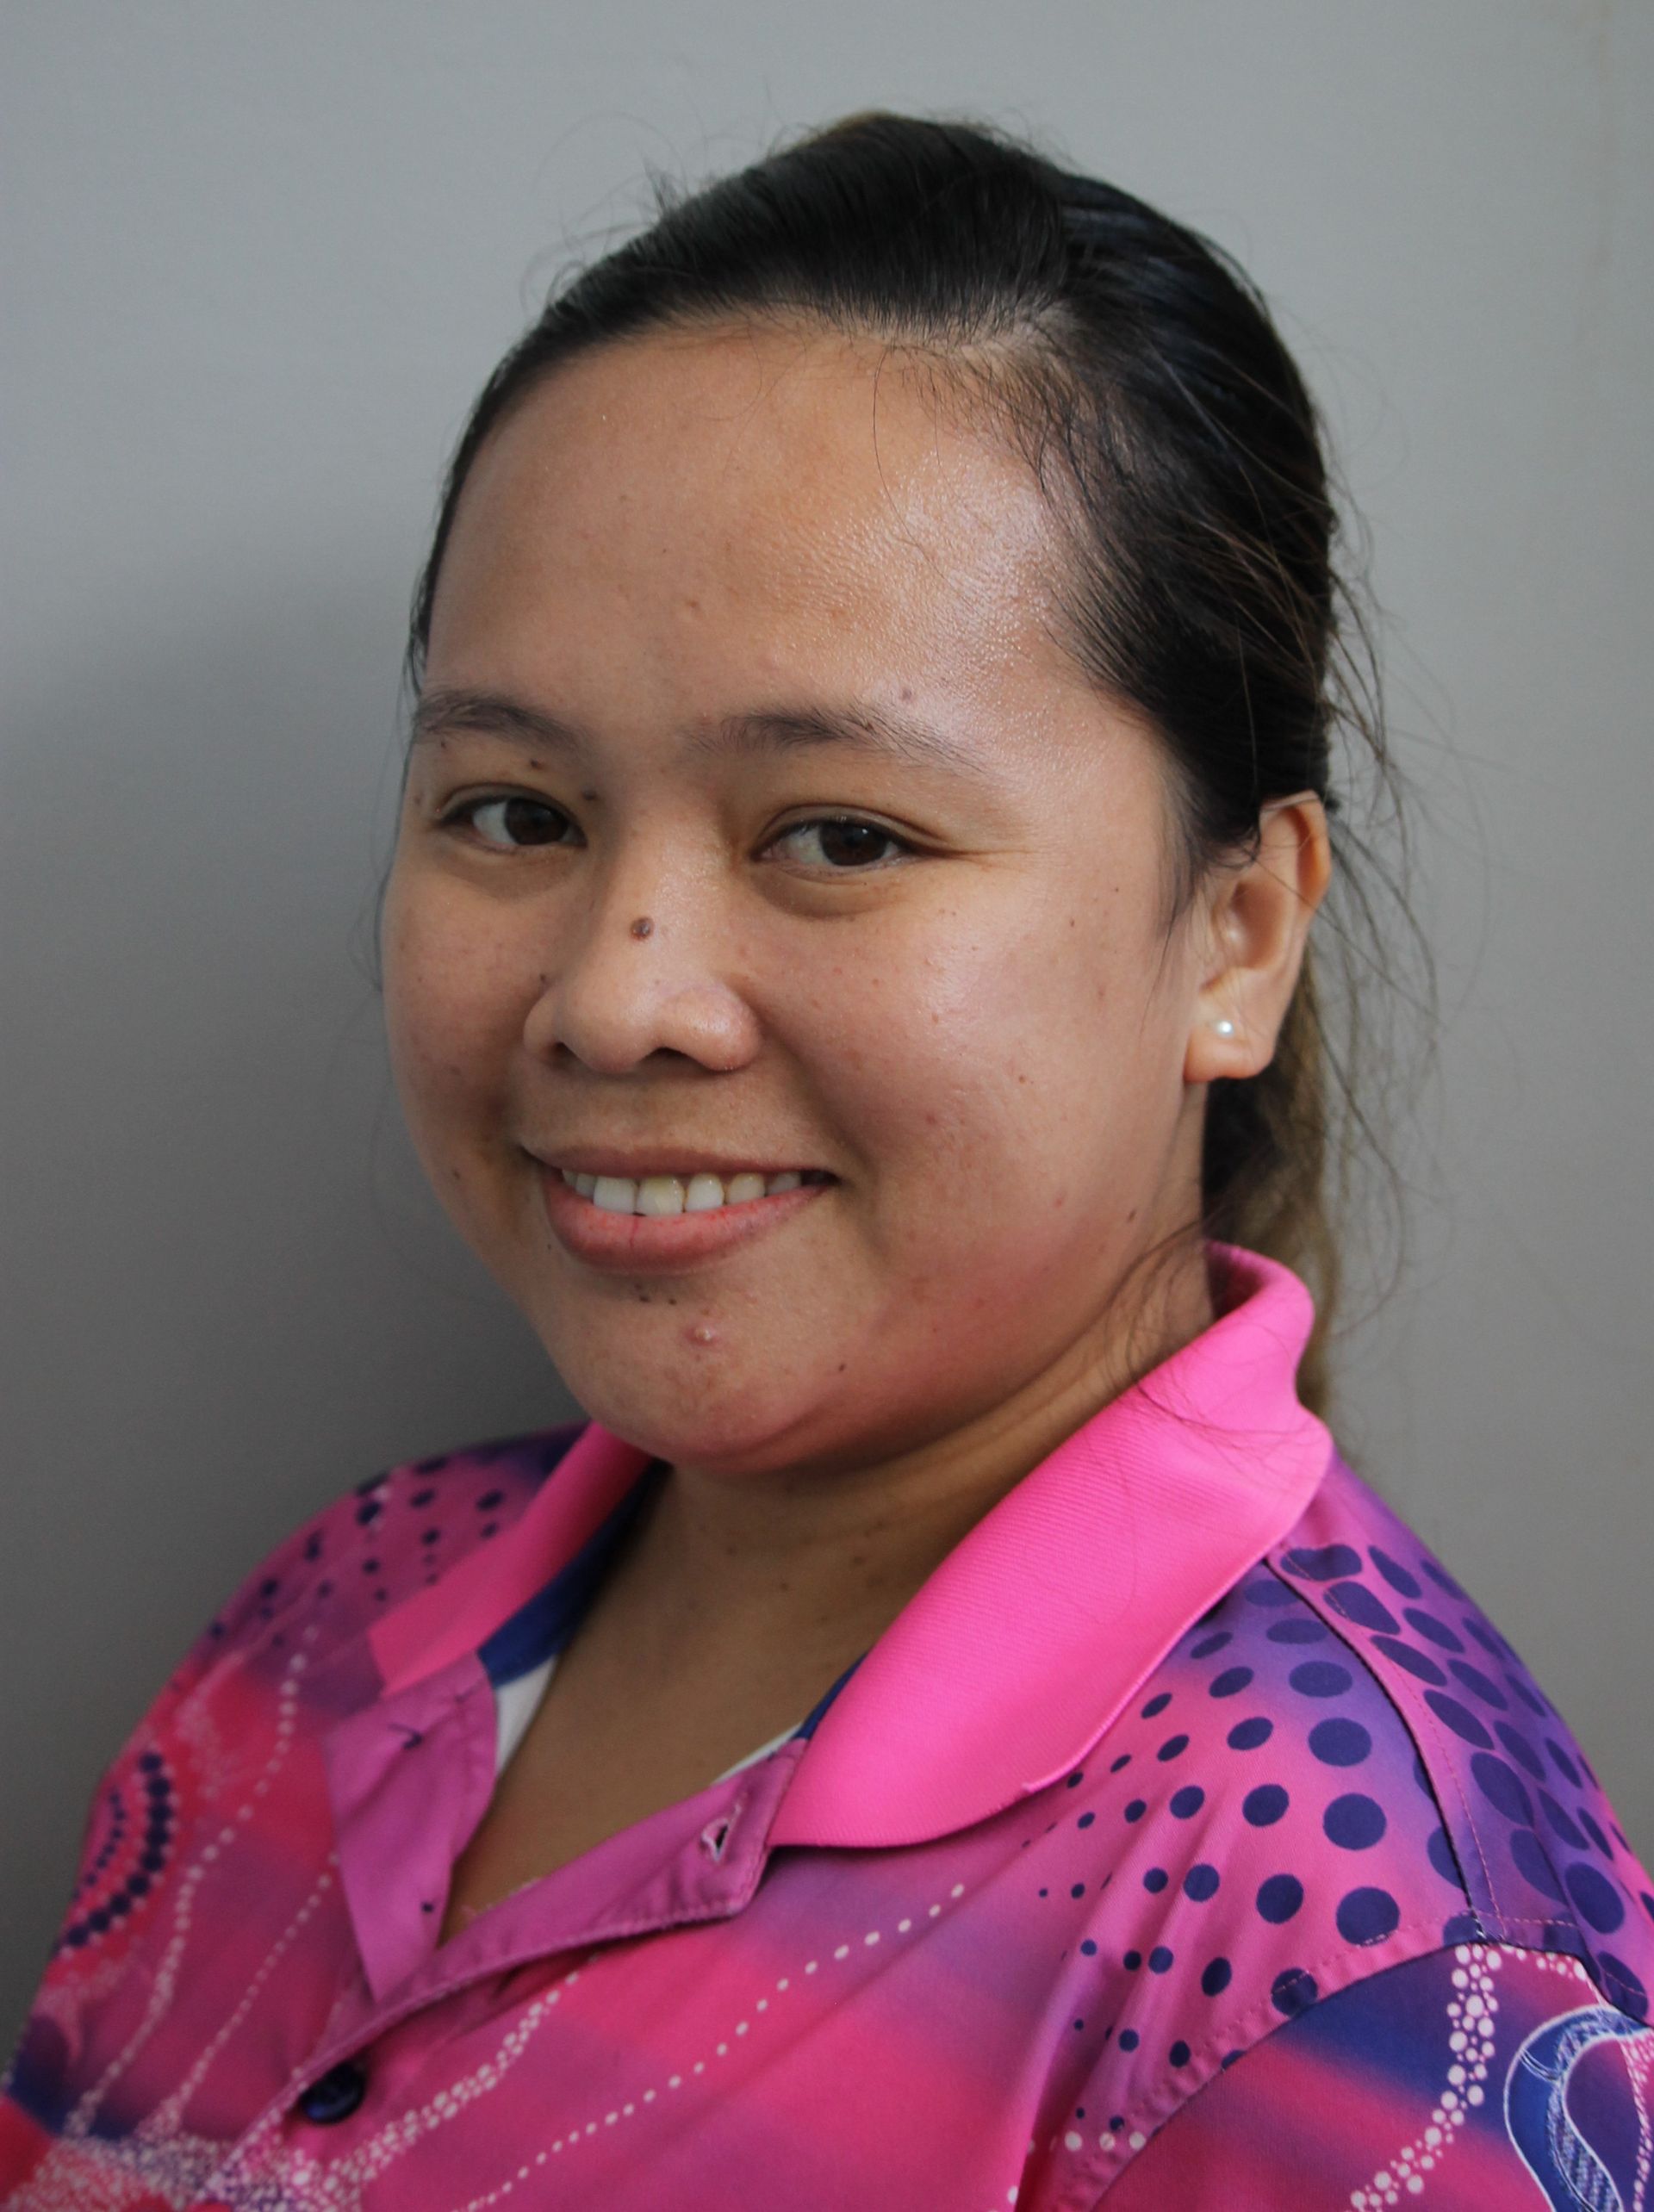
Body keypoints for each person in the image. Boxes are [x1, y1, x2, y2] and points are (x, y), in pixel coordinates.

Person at [3, 109, 1648, 2212]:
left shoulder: (1364, 1961)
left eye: (841, 835)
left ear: (1234, 934)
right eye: (515, 810)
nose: (618, 995)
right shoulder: (338, 1619)